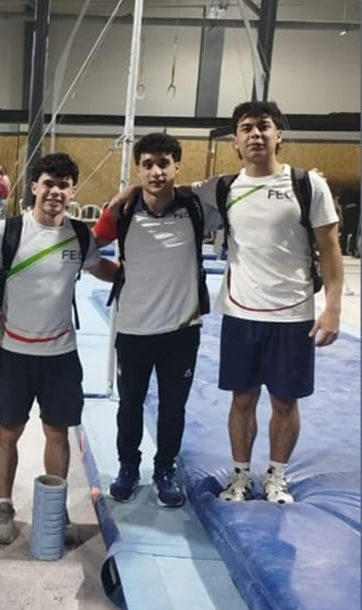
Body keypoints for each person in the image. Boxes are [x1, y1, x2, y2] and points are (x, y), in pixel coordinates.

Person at [110, 101, 343, 504]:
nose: (255, 134)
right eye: (246, 128)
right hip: (240, 312)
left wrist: (333, 307)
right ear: (235, 141)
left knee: (285, 401)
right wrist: (133, 188)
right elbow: (169, 187)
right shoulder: (223, 188)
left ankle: (277, 476)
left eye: (263, 126)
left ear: (278, 135)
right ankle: (240, 476)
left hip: (293, 313)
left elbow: (331, 247)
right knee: (242, 399)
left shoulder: (307, 185)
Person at [0, 153, 118, 544]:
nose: (55, 191)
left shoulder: (81, 236)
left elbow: (101, 269)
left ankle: (54, 506)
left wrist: (143, 274)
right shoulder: (6, 232)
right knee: (8, 433)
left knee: (58, 433)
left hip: (61, 355)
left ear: (73, 191)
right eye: (49, 184)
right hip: (15, 353)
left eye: (63, 185)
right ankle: (4, 505)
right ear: (34, 187)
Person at [93, 133, 209, 507]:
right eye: (148, 165)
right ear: (138, 169)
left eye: (163, 163)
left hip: (182, 330)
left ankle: (164, 470)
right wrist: (116, 275)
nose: (156, 171)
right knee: (129, 405)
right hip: (133, 329)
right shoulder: (122, 212)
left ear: (177, 166)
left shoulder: (196, 207)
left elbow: (237, 192)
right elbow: (87, 250)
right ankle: (128, 466)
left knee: (173, 408)